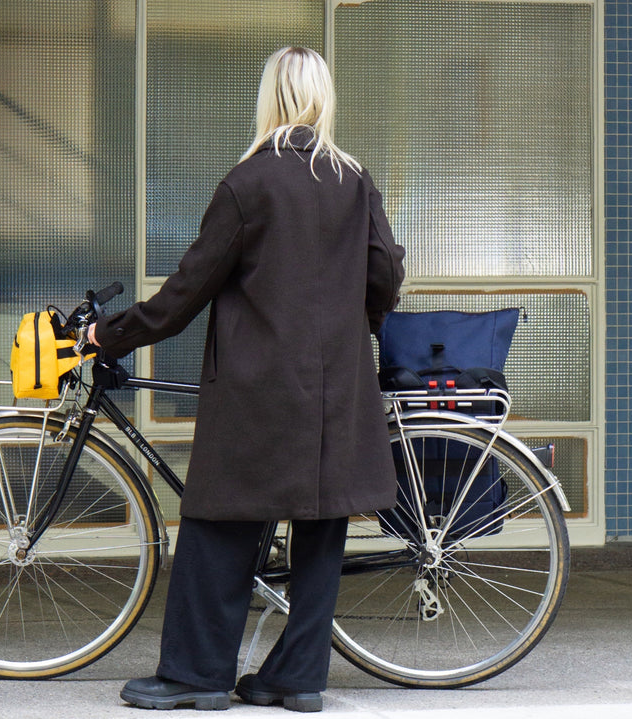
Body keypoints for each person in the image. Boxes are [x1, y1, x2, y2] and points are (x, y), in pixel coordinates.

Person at [88, 46, 405, 713]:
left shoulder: (248, 183)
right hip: (338, 389)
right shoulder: (353, 179)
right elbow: (385, 271)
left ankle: (197, 675)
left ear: (269, 99)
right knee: (322, 528)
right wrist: (360, 326)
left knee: (219, 522)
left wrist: (109, 334)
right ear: (322, 98)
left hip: (260, 387)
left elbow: (187, 291)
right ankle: (296, 678)